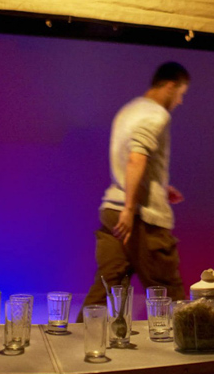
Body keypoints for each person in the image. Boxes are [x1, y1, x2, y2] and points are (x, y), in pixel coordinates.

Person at [78, 62, 189, 320]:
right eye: (181, 93)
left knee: (106, 288)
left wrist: (158, 187)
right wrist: (130, 208)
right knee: (168, 292)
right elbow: (136, 157)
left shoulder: (128, 110)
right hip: (141, 217)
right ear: (170, 86)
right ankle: (188, 343)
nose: (180, 101)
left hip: (112, 210)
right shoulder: (156, 114)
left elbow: (130, 159)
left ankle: (78, 340)